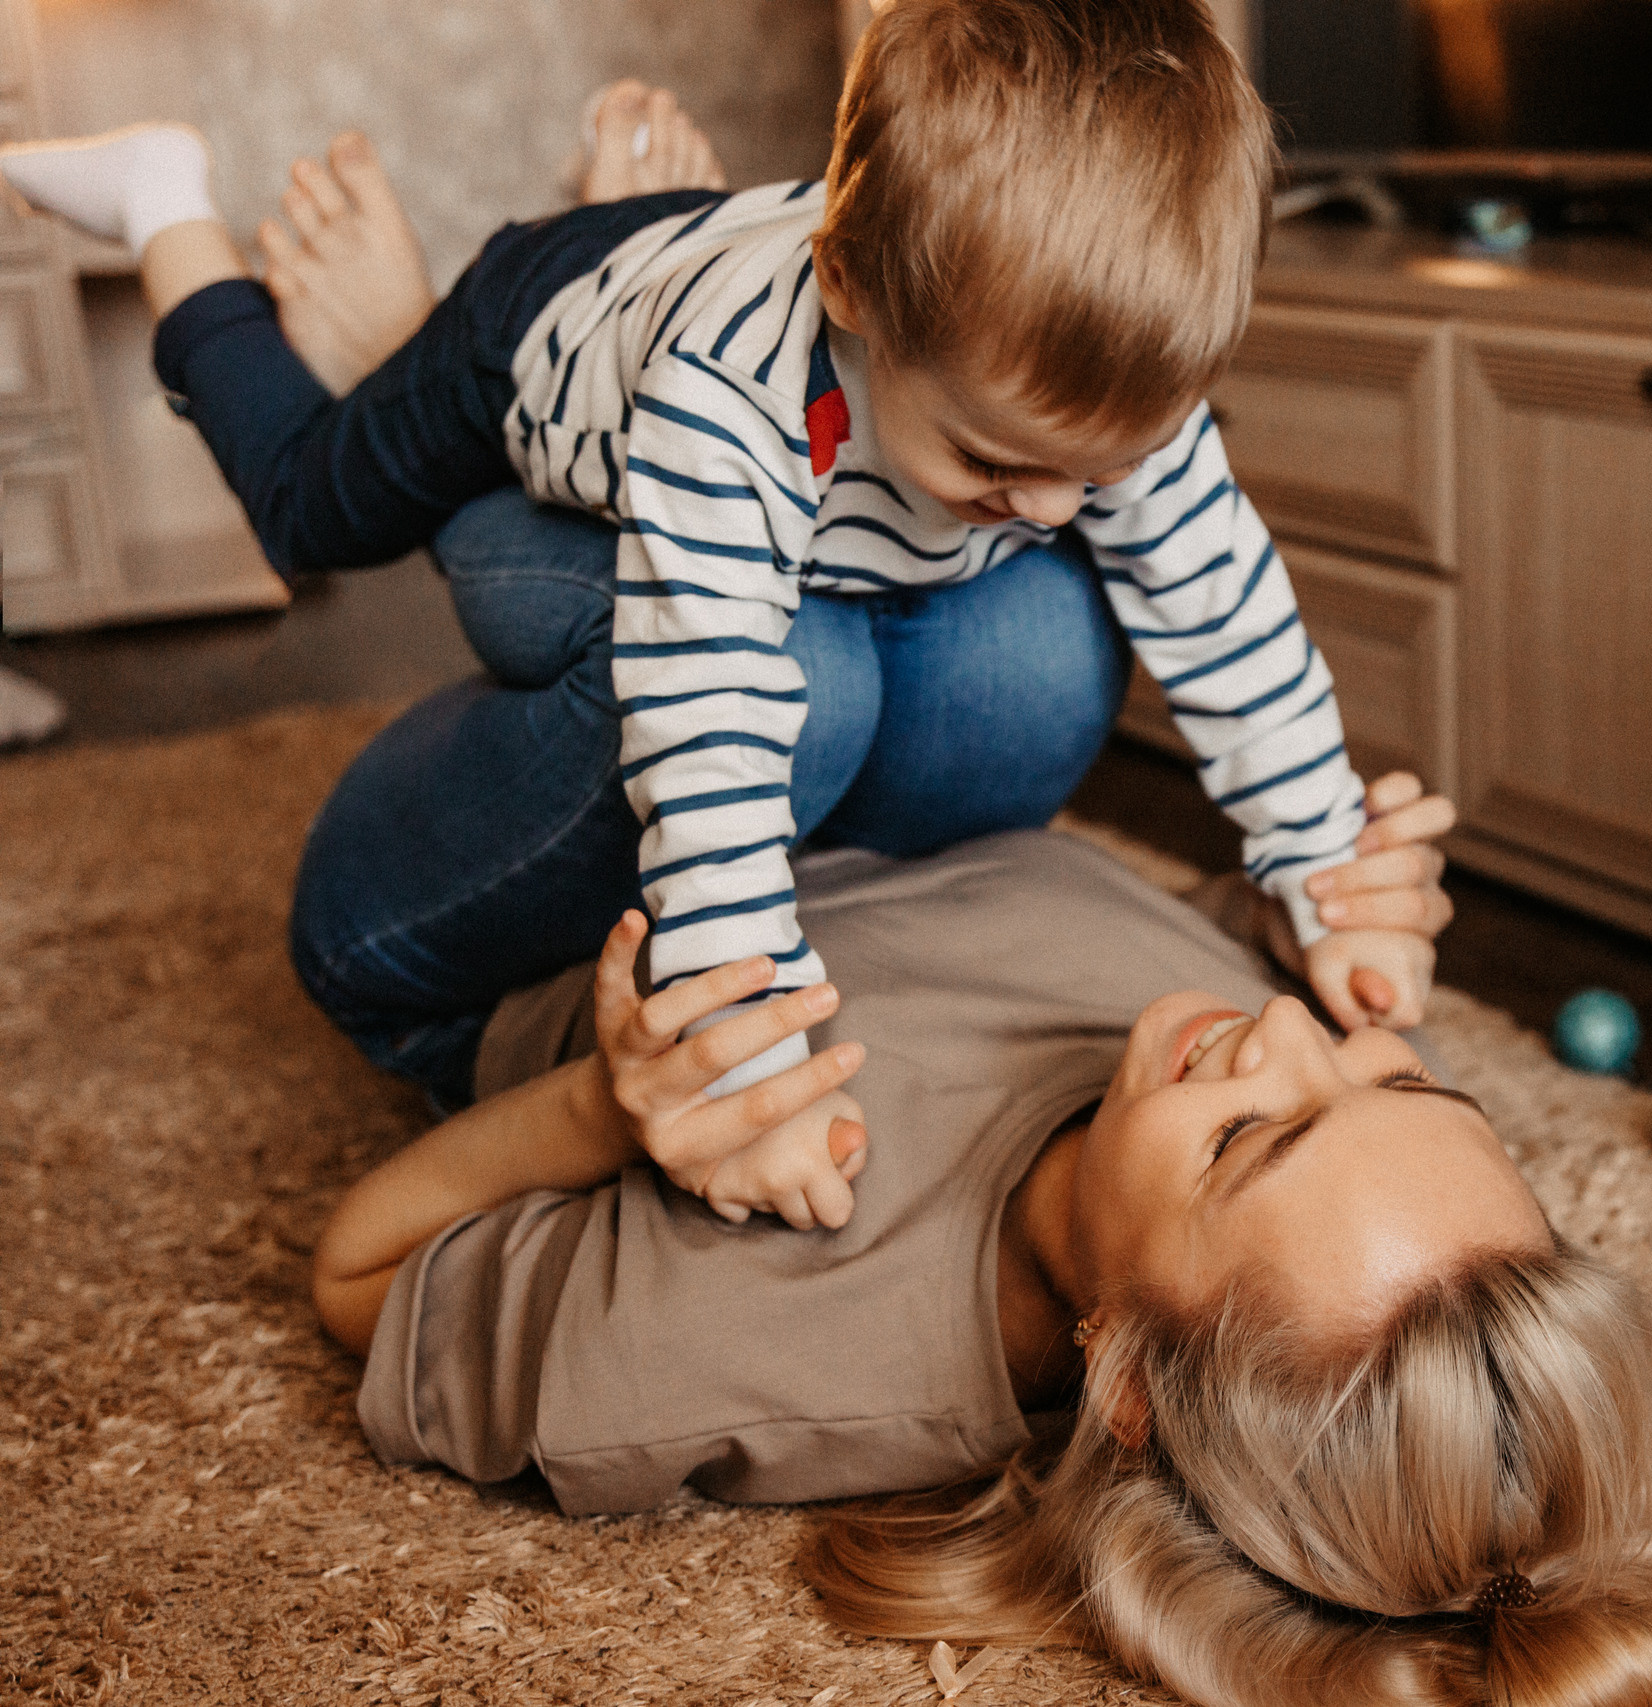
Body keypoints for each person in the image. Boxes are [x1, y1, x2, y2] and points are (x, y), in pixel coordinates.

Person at [0, 0, 1411, 1225]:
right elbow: (714, 728)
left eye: (1092, 475)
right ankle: (169, 208)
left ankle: (626, 238)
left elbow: (1227, 613)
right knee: (319, 500)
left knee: (1018, 564)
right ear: (854, 289)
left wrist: (1323, 874)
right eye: (995, 463)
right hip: (542, 333)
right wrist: (749, 1066)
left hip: (741, 312)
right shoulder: (733, 393)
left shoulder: (1088, 397)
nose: (1052, 516)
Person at [310, 800, 1652, 1707]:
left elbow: (359, 1275)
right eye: (1396, 1080)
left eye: (1250, 1139)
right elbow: (1147, 941)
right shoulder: (1284, 1093)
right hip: (913, 785)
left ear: (1127, 1377)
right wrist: (1295, 907)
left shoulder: (721, 1348)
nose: (1280, 1035)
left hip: (514, 909)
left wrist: (601, 1111)